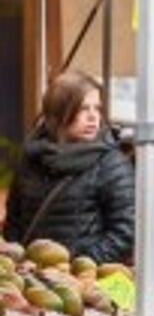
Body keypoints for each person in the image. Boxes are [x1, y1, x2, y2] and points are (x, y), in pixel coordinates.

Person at [5, 70, 134, 265]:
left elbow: (125, 232)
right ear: (58, 112)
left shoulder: (111, 163)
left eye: (97, 108)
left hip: (90, 281)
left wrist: (78, 266)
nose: (93, 117)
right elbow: (14, 221)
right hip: (36, 281)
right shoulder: (30, 159)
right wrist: (22, 262)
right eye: (83, 108)